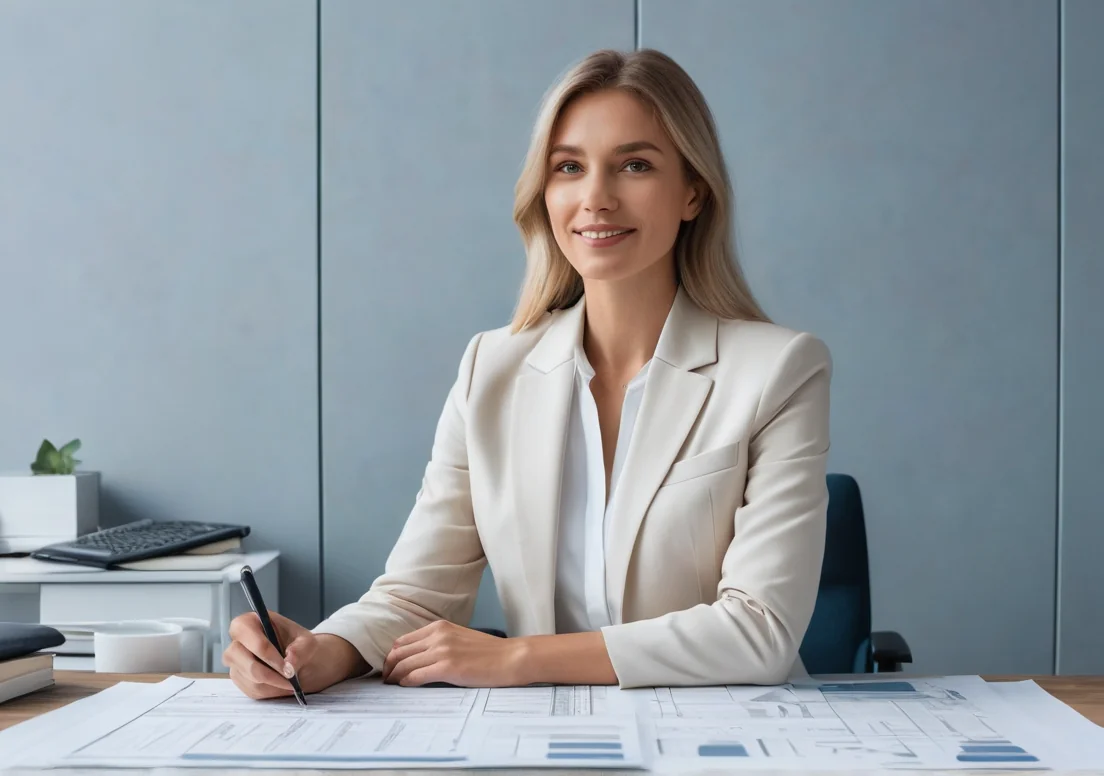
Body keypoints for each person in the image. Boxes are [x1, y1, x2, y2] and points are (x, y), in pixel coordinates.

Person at [223, 48, 831, 697]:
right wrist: (327, 651)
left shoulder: (779, 370)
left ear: (692, 193)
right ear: (544, 192)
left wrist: (516, 657)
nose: (595, 197)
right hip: (550, 740)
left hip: (728, 736)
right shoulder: (493, 369)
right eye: (569, 167)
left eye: (635, 164)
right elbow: (416, 594)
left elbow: (759, 632)